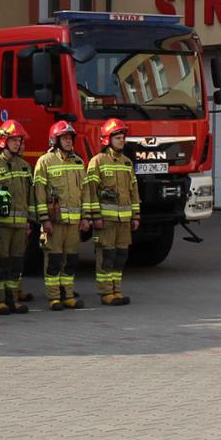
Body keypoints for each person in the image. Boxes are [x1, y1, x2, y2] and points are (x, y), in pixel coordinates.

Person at [33, 120, 91, 310]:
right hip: (54, 222)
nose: (68, 141)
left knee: (71, 260)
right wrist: (44, 220)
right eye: (64, 138)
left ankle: (68, 295)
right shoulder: (45, 161)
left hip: (74, 223)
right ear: (55, 140)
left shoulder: (78, 161)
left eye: (70, 138)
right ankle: (54, 297)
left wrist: (86, 217)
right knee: (54, 260)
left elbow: (85, 191)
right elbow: (39, 193)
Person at [0, 120, 35, 314]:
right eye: (13, 140)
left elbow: (30, 196)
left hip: (20, 226)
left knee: (16, 263)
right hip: (1, 226)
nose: (17, 144)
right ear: (3, 141)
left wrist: (30, 220)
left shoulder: (24, 166)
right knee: (0, 262)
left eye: (19, 140)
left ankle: (12, 298)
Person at [87, 118, 141, 306]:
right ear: (107, 139)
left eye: (122, 137)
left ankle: (116, 289)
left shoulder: (127, 163)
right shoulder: (97, 161)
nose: (121, 140)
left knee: (120, 256)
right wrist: (95, 217)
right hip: (106, 220)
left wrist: (136, 216)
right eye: (117, 137)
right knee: (107, 256)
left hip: (124, 221)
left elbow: (134, 191)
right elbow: (91, 191)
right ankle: (105, 292)